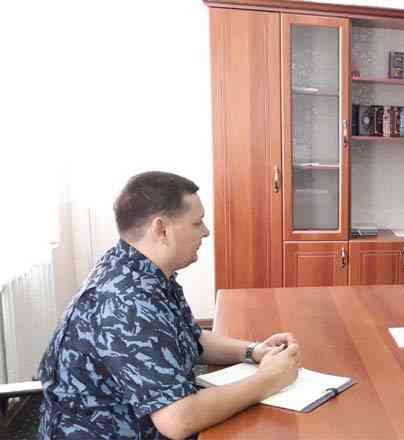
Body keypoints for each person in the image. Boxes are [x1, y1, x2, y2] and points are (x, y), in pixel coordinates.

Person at [38, 171, 302, 439]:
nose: (206, 231)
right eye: (197, 223)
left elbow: (189, 337)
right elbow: (178, 420)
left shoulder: (138, 267)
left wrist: (253, 351)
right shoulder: (127, 302)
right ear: (161, 229)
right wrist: (267, 380)